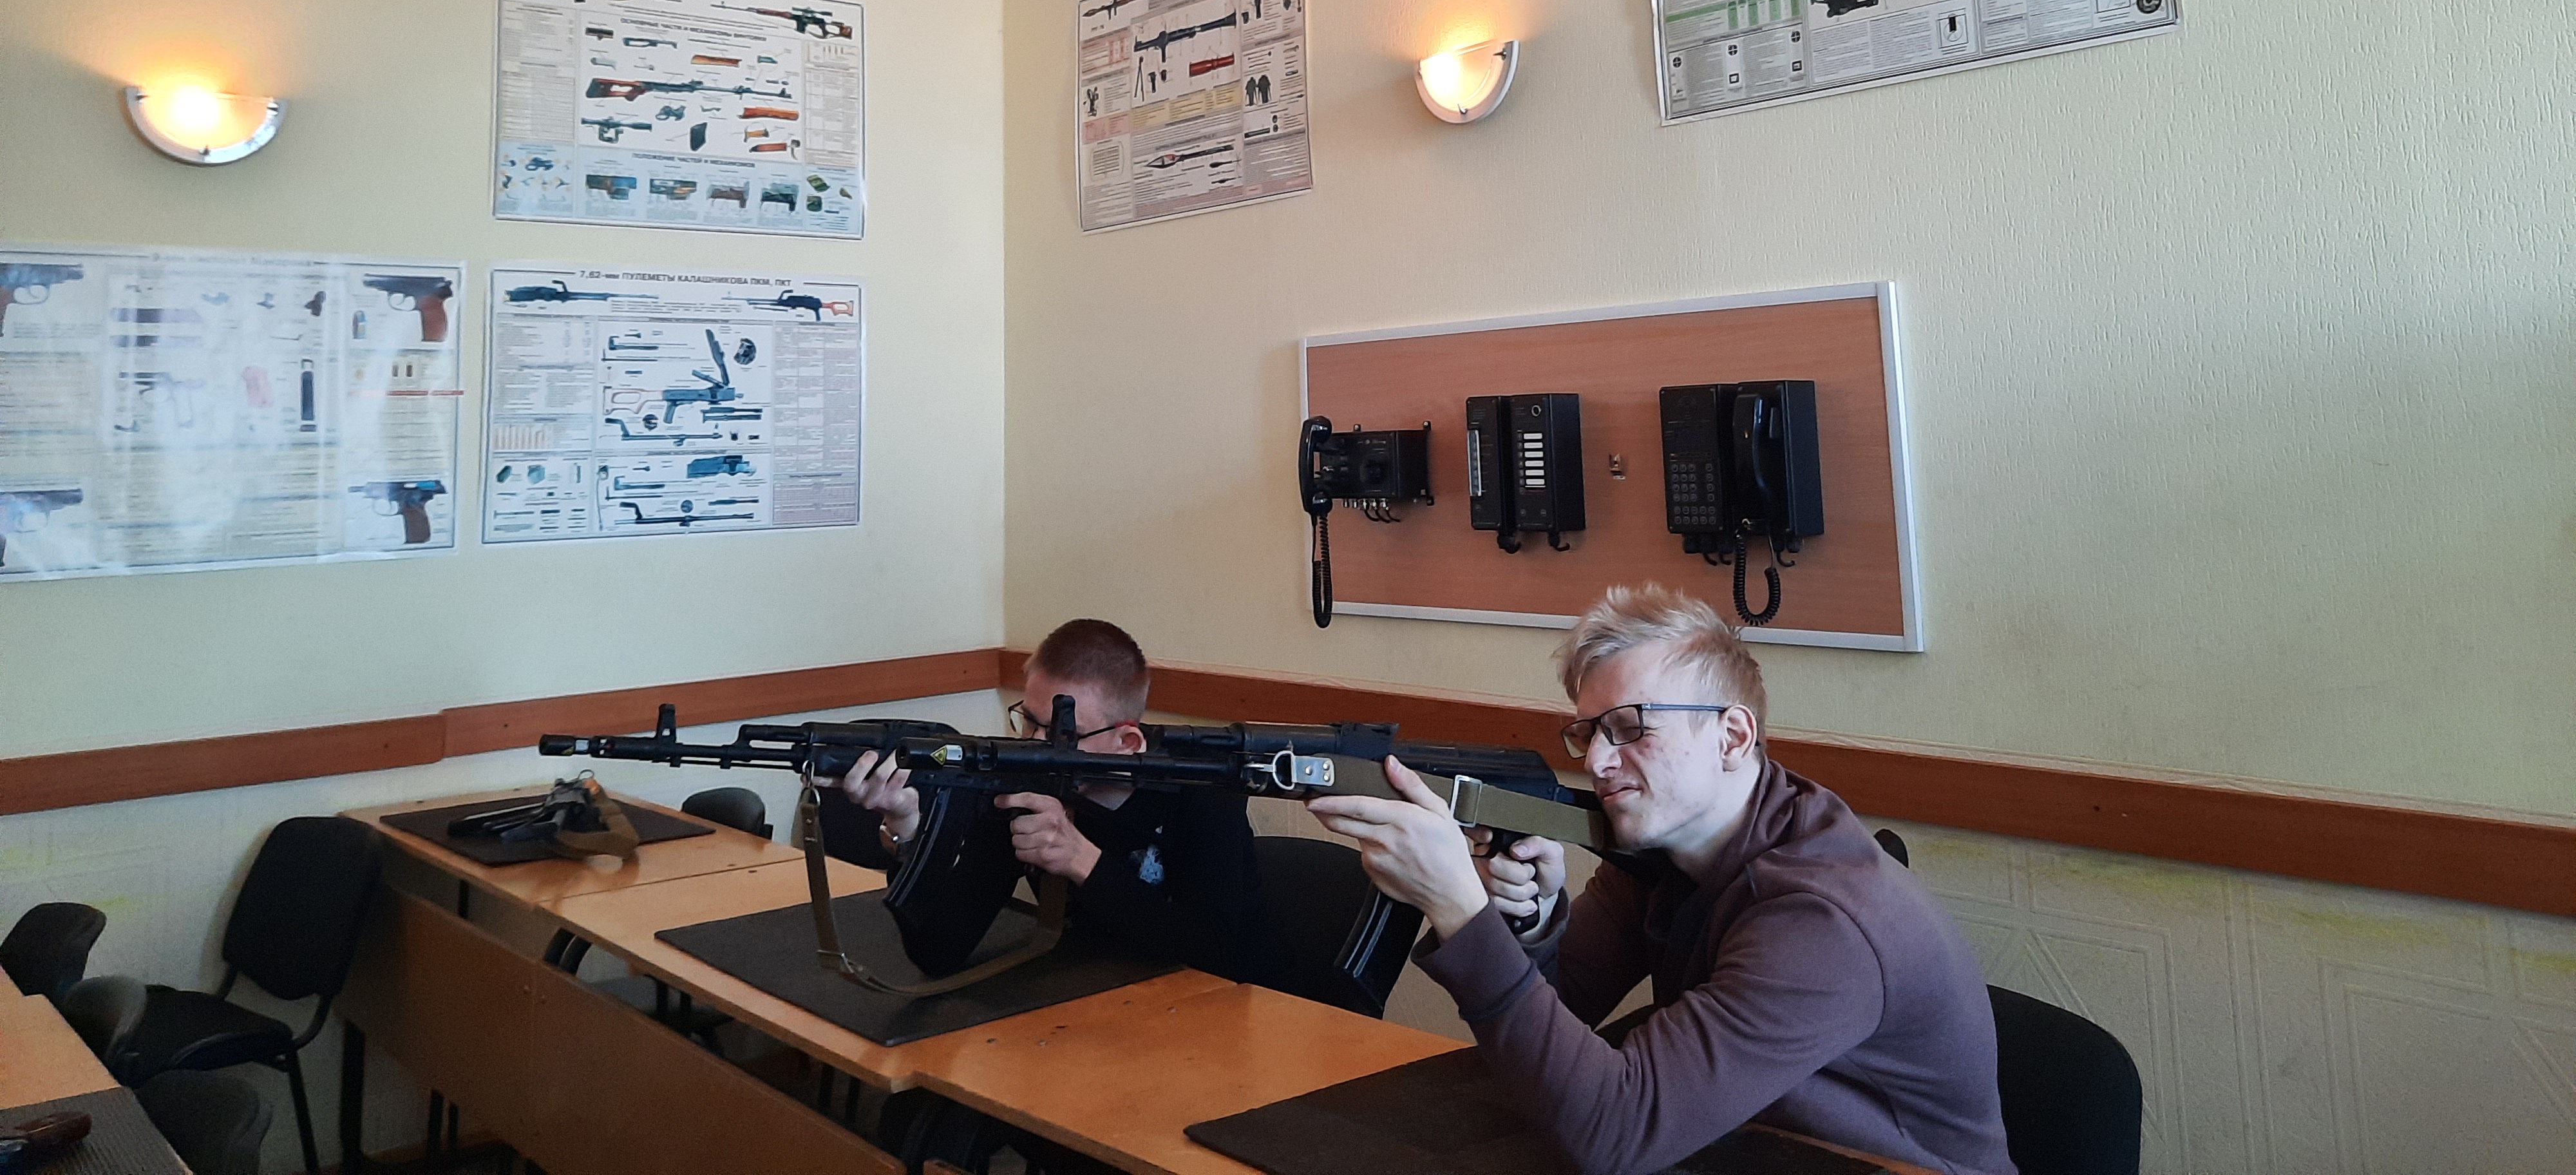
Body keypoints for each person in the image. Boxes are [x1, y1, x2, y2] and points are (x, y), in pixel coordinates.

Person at [1309, 584, 2012, 1175]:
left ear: (1733, 737)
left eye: (1631, 727)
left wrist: (1459, 909)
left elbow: (1616, 1132)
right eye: (1589, 733)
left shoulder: (1824, 920)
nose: (1597, 762)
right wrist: (1532, 922)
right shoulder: (1667, 849)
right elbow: (1558, 1031)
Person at [840, 617, 1274, 984]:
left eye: (1062, 733)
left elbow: (1216, 954)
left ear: (1127, 742)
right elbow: (938, 952)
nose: (1034, 744)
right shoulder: (1024, 786)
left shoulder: (1203, 788)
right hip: (1087, 1001)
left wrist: (1081, 860)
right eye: (1029, 722)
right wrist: (907, 831)